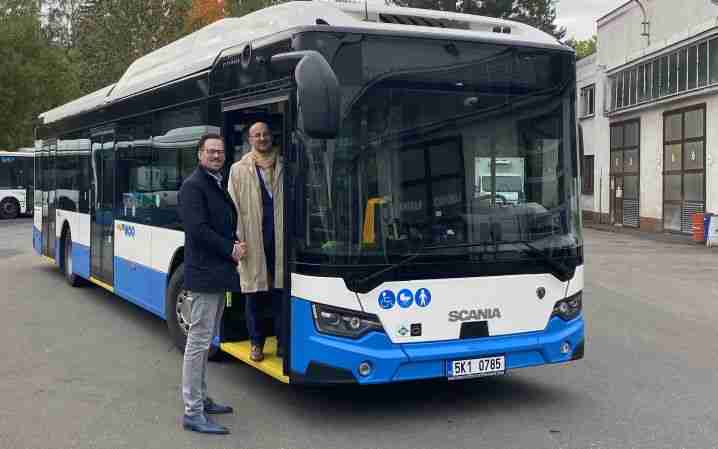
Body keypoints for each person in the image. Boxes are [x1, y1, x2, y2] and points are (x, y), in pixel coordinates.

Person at [178, 133, 243, 435]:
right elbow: (198, 230)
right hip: (204, 275)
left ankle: (201, 399)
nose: (217, 156)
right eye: (211, 151)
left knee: (205, 341)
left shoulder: (216, 181)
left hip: (216, 274)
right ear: (199, 154)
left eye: (220, 151)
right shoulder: (194, 186)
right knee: (198, 343)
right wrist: (230, 248)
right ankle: (192, 410)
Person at [228, 122, 284, 362]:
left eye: (265, 134)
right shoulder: (238, 170)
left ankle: (283, 344)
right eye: (256, 135)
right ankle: (256, 343)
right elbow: (232, 207)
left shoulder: (285, 165)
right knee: (255, 296)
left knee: (281, 293)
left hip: (282, 239)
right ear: (250, 140)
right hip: (252, 239)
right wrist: (236, 240)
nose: (262, 138)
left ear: (271, 137)